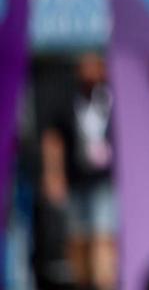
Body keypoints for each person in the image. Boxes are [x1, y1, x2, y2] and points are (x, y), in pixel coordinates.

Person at [40, 53, 117, 290]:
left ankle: (105, 283)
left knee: (104, 237)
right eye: (85, 66)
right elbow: (53, 139)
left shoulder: (115, 97)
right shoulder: (67, 99)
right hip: (76, 180)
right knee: (78, 240)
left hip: (106, 180)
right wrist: (53, 174)